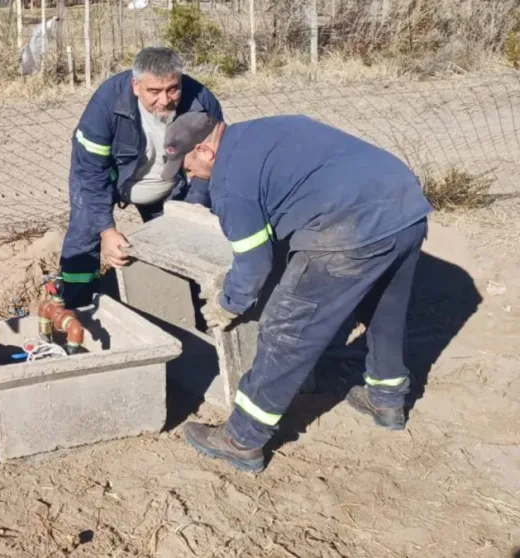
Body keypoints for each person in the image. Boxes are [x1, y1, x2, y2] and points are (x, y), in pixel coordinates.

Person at [172, 112, 433, 474]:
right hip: (404, 208)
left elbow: (254, 264)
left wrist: (228, 302)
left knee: (288, 330)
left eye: (188, 167)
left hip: (346, 233)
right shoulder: (264, 129)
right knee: (385, 308)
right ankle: (387, 399)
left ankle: (242, 438)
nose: (190, 176)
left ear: (204, 149)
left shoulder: (230, 182)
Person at [59, 47, 224, 309]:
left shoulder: (202, 104)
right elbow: (90, 174)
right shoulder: (106, 105)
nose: (165, 100)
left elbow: (208, 164)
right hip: (112, 182)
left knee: (188, 244)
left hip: (170, 186)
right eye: (154, 92)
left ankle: (199, 318)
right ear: (136, 86)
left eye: (172, 88)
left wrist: (193, 207)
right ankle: (77, 309)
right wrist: (106, 229)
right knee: (83, 238)